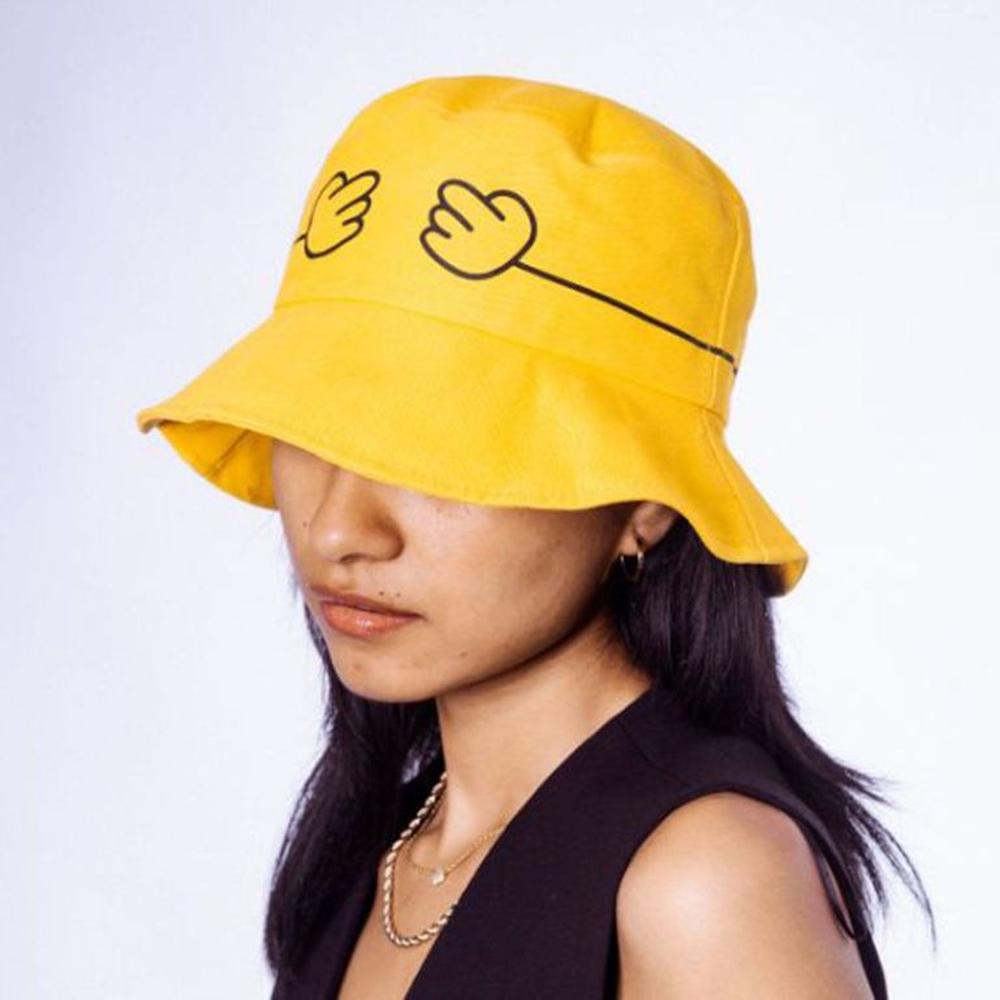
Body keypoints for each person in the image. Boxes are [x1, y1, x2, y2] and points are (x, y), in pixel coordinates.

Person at [135, 73, 934, 998]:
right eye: (310, 431)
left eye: (436, 450)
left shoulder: (705, 878)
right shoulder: (392, 843)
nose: (339, 529)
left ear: (646, 503)